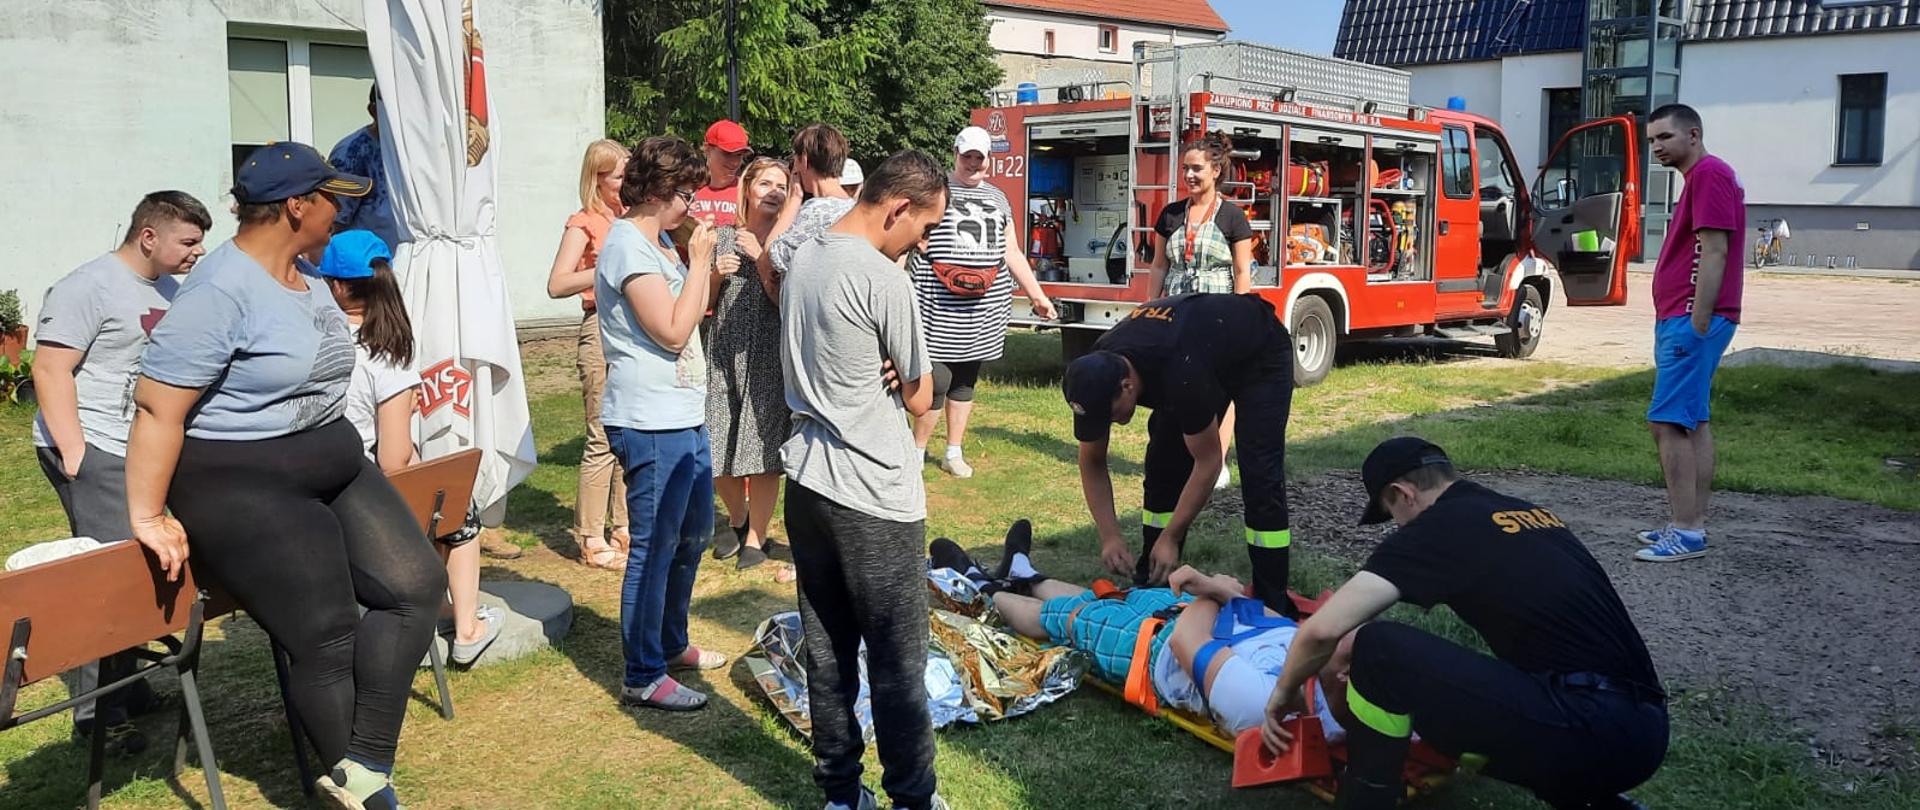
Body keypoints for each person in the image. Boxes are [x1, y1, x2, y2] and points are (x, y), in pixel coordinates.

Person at [126, 143, 445, 810]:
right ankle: (365, 791)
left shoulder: (303, 273)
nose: (343, 209)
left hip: (329, 459)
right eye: (333, 198)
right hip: (244, 478)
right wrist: (148, 513)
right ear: (297, 206)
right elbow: (159, 406)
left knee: (416, 586)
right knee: (327, 635)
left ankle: (360, 764)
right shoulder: (219, 291)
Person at [1262, 437, 1666, 810]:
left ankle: (1365, 797)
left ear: (1403, 494)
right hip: (1644, 726)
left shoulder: (1439, 527)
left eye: (1391, 516)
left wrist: (1283, 693)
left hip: (1593, 727)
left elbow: (1322, 631)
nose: (1399, 528)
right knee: (1501, 685)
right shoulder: (1525, 513)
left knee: (1378, 649)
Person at [781, 151, 950, 810]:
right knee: (897, 659)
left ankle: (841, 795)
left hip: (808, 482)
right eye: (925, 227)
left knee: (826, 651)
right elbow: (920, 396)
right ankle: (913, 797)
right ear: (897, 207)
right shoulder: (885, 279)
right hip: (873, 490)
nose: (924, 242)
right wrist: (902, 368)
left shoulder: (803, 258)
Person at [32, 190, 210, 756]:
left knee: (139, 566)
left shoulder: (166, 289)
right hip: (95, 447)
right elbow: (50, 368)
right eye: (188, 240)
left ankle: (126, 689)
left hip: (134, 447)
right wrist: (76, 452)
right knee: (108, 574)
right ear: (149, 236)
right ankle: (94, 712)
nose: (197, 251)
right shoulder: (88, 285)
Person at [930, 523, 1352, 740]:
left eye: (1346, 636)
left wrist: (1212, 590)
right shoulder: (1323, 657)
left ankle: (980, 586)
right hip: (1191, 618)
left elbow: (1190, 642)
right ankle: (1024, 573)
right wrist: (1224, 596)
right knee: (1107, 597)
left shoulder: (1261, 702)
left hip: (1157, 648)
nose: (1336, 620)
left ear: (1342, 674)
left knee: (1065, 620)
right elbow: (1256, 620)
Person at [318, 230, 502, 667]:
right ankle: (468, 628)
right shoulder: (385, 354)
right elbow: (394, 459)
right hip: (359, 496)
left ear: (338, 286)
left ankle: (434, 603)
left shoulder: (315, 340)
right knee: (457, 505)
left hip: (314, 490)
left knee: (438, 494)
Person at [597, 136, 732, 712]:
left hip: (683, 414)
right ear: (655, 191)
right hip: (648, 421)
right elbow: (673, 332)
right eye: (684, 193)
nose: (691, 205)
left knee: (694, 533)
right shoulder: (628, 247)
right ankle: (642, 673)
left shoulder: (660, 244)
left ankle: (671, 642)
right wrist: (700, 260)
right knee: (653, 548)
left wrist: (705, 270)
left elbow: (692, 312)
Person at [1061, 293, 1295, 610]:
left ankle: (1272, 599)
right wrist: (1110, 536)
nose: (1109, 423)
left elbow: (1209, 462)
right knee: (1162, 464)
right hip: (1198, 349)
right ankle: (1155, 580)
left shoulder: (1180, 371)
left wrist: (1172, 536)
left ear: (1127, 386)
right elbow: (1092, 461)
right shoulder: (1095, 373)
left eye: (1110, 413)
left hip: (1258, 351)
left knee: (1260, 475)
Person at [908, 126, 1057, 479]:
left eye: (980, 157)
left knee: (965, 379)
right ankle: (915, 451)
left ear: (989, 160)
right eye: (967, 156)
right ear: (955, 154)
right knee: (937, 380)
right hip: (936, 302)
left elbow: (1012, 251)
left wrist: (1037, 295)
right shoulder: (933, 190)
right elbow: (909, 232)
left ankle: (953, 451)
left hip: (983, 306)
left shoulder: (998, 199)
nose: (973, 163)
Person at [1636, 103, 1744, 563]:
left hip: (1692, 318)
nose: (1657, 147)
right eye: (1652, 141)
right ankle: (1691, 522)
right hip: (1683, 316)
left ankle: (1686, 531)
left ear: (1693, 135)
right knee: (1693, 421)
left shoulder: (1708, 175)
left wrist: (1698, 319)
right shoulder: (1703, 178)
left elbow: (1714, 250)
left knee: (1667, 422)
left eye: (1665, 138)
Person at [1146, 131, 1254, 490]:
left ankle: (1216, 461)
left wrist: (1241, 317)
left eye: (1196, 169)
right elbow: (1159, 265)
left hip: (1218, 313)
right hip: (1176, 313)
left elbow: (1242, 271)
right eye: (1184, 169)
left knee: (1220, 390)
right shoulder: (1171, 214)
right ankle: (1177, 454)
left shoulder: (1233, 217)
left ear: (1215, 170)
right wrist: (1150, 309)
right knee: (1175, 385)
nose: (1189, 176)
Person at [546, 138, 632, 571]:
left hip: (631, 331)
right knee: (600, 435)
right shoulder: (583, 222)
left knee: (627, 431)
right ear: (596, 180)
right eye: (619, 176)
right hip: (599, 329)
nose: (626, 183)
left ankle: (623, 525)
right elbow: (557, 283)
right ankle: (590, 536)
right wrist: (606, 266)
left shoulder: (629, 219)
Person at [707, 157, 796, 574]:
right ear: (747, 189)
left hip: (769, 352)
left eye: (781, 185)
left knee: (761, 445)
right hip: (724, 349)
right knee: (717, 438)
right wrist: (713, 278)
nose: (773, 191)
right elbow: (702, 304)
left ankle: (757, 537)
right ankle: (736, 517)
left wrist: (762, 257)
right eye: (765, 183)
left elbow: (789, 301)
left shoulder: (789, 242)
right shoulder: (722, 237)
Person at [767, 122, 856, 287]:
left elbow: (773, 253)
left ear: (805, 160)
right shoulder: (853, 208)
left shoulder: (817, 211)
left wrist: (795, 198)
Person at [328, 85, 402, 250]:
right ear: (373, 110)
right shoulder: (351, 152)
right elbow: (334, 222)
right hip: (368, 265)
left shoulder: (415, 149)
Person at [689, 119, 751, 227]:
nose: (734, 162)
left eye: (739, 155)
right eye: (727, 154)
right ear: (707, 150)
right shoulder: (688, 192)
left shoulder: (748, 191)